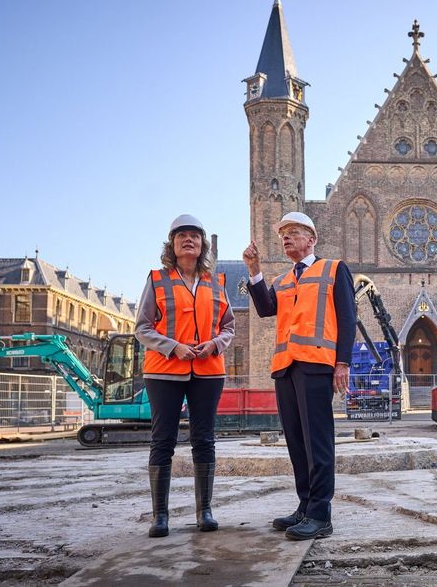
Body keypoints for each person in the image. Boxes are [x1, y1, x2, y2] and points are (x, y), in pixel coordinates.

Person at [242, 211, 355, 540]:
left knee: (317, 441)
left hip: (317, 365)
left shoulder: (334, 270)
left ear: (312, 239)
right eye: (282, 235)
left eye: (293, 232)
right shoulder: (284, 279)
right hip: (286, 368)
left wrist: (343, 363)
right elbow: (265, 308)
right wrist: (254, 271)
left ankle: (321, 514)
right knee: (296, 442)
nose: (286, 238)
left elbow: (347, 318)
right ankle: (304, 506)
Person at [135, 214, 234, 538]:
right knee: (163, 439)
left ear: (202, 244)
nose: (188, 240)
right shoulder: (157, 279)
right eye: (182, 236)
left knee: (204, 439)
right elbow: (142, 328)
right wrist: (173, 347)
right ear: (172, 245)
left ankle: (204, 512)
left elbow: (229, 327)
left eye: (194, 235)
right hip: (164, 372)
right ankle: (159, 517)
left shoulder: (216, 282)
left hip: (207, 371)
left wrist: (214, 345)